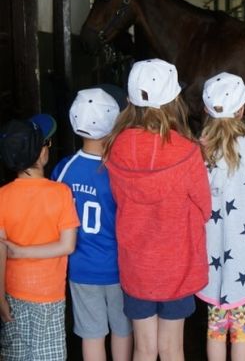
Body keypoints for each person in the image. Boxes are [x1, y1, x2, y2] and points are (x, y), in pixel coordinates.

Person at [103, 58, 211, 361]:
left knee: (144, 348)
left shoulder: (115, 148)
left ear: (129, 103)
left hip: (137, 268)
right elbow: (204, 207)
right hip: (177, 265)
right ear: (174, 100)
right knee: (172, 348)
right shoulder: (188, 152)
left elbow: (118, 199)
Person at [196, 72, 245, 361]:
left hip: (208, 258)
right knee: (241, 327)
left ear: (205, 110)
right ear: (242, 110)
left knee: (215, 328)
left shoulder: (197, 154)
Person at [51, 86, 133, 361]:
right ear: (114, 123)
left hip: (81, 268)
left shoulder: (63, 169)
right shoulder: (121, 170)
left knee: (91, 334)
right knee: (123, 330)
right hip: (119, 268)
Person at [0, 114, 79, 360]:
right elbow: (68, 245)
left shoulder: (2, 196)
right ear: (41, 154)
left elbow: (1, 250)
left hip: (13, 291)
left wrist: (0, 297)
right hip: (49, 294)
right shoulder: (61, 193)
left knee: (16, 354)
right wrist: (23, 252)